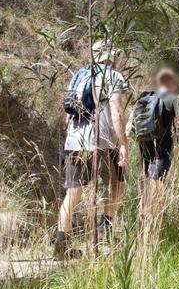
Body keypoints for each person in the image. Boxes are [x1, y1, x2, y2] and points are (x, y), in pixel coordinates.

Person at [54, 42, 129, 260]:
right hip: (104, 141)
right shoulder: (113, 76)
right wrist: (123, 142)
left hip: (75, 141)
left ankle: (61, 245)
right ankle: (104, 228)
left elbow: (68, 112)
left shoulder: (79, 75)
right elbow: (117, 111)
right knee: (119, 184)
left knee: (73, 192)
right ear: (111, 57)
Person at [133, 68, 179, 218]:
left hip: (143, 143)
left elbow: (133, 123)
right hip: (163, 146)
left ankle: (143, 214)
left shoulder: (144, 97)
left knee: (148, 179)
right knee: (158, 181)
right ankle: (150, 217)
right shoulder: (174, 98)